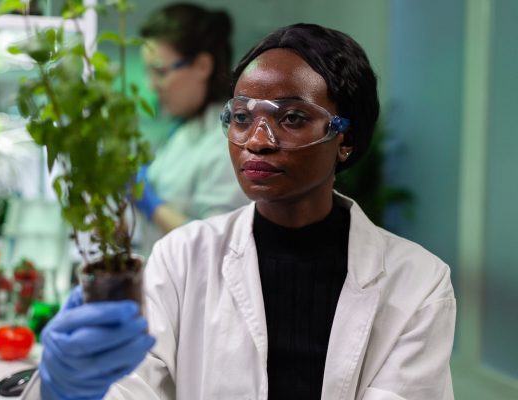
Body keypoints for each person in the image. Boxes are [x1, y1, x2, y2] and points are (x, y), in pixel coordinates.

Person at [24, 23, 456, 400]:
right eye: (242, 116)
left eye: (291, 117)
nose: (257, 139)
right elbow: (133, 388)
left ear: (345, 139)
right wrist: (68, 388)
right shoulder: (181, 258)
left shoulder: (418, 283)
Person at [132, 3, 249, 256]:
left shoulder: (227, 142)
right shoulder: (182, 129)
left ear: (202, 66)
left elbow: (218, 245)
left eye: (160, 72)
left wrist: (152, 204)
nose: (152, 86)